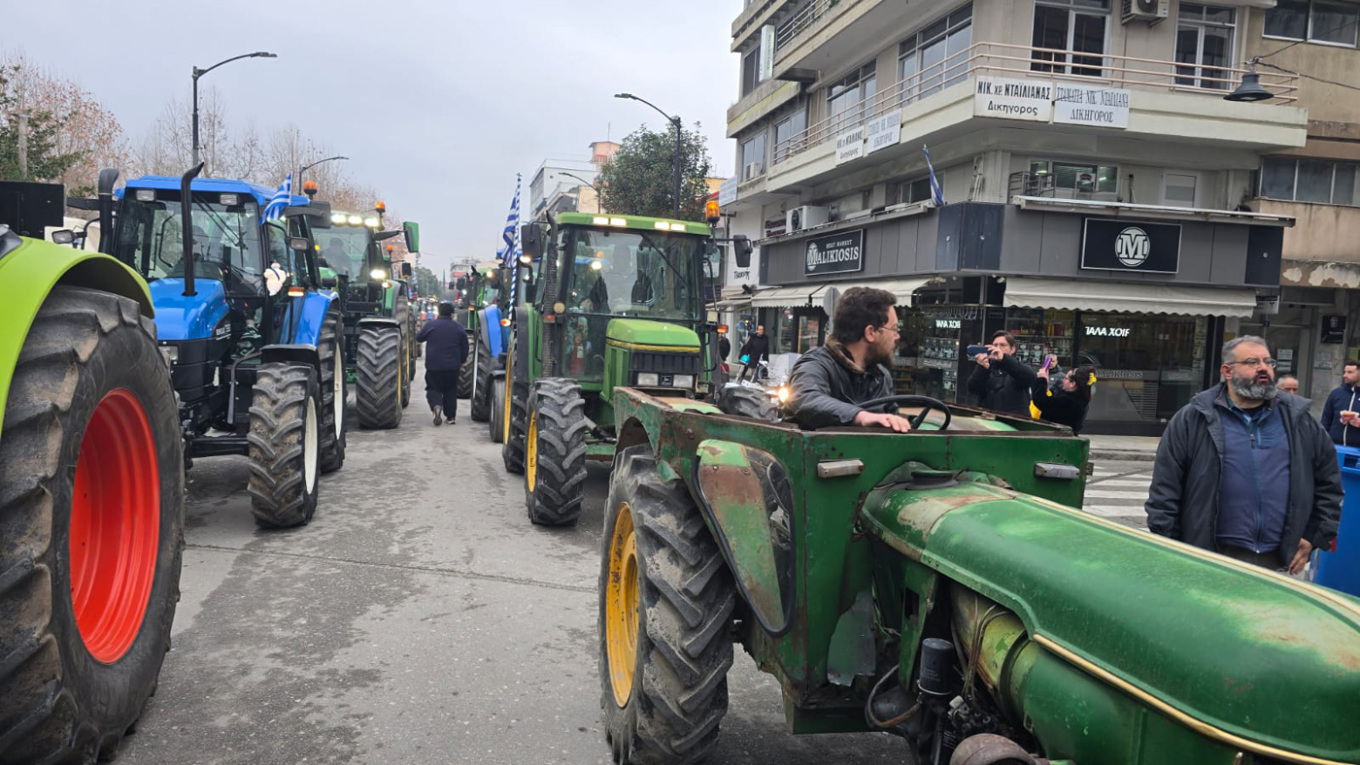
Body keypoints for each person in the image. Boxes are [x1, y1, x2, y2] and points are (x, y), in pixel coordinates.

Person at [1145, 335, 1341, 574]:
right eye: (1252, 362)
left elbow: (1329, 484)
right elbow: (1164, 491)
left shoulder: (1299, 420)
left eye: (1268, 362)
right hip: (1208, 559)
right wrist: (1172, 548)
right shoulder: (1193, 419)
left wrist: (1314, 536)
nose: (1263, 368)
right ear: (1227, 371)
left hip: (1278, 562)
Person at [788, 287, 912, 432]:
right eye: (894, 329)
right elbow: (806, 398)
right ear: (871, 332)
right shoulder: (816, 364)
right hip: (817, 453)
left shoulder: (881, 376)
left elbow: (892, 420)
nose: (897, 337)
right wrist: (861, 417)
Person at [416, 302, 469, 426]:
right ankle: (450, 417)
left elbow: (419, 338)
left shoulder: (431, 325)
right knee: (450, 390)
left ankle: (436, 406)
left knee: (433, 388)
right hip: (452, 366)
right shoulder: (458, 328)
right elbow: (465, 347)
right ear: (452, 313)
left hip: (433, 366)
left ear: (439, 312)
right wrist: (461, 361)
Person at [966, 330, 1037, 417]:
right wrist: (981, 368)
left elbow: (1030, 377)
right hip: (989, 420)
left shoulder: (1019, 367)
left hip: (1014, 421)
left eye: (1002, 345)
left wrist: (1004, 359)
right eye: (995, 345)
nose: (998, 348)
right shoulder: (987, 367)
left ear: (1012, 349)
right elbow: (973, 388)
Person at [1030, 363, 1095, 434]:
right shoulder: (1080, 399)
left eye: (1066, 378)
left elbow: (1041, 401)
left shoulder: (1068, 401)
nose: (1063, 380)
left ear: (1072, 383)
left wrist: (1041, 380)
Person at [1321, 360, 1360, 446]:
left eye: (1350, 372)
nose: (1345, 375)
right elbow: (1326, 420)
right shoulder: (1336, 393)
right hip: (1335, 446)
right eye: (1344, 372)